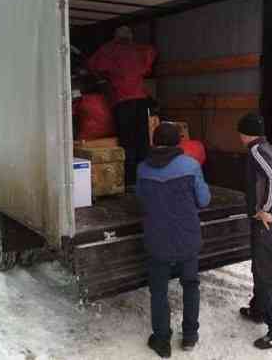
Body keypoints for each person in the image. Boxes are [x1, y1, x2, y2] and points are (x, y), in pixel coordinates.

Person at [136, 122, 211, 358]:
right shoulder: (190, 165)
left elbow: (141, 198)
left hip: (157, 238)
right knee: (190, 285)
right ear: (179, 142)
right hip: (186, 237)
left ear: (154, 142)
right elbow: (204, 199)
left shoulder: (142, 169)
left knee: (159, 291)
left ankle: (161, 341)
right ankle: (189, 336)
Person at [237, 113, 272, 350]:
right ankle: (258, 309)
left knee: (266, 274)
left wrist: (266, 210)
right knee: (261, 267)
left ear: (244, 133)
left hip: (267, 223)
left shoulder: (256, 151)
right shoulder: (268, 147)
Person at [87, 25, 157, 185]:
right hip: (140, 101)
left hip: (122, 101)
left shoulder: (108, 50)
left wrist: (104, 77)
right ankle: (144, 178)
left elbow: (92, 65)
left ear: (115, 36)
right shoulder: (138, 49)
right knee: (143, 141)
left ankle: (129, 181)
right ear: (131, 36)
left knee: (127, 141)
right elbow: (152, 53)